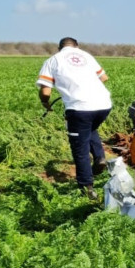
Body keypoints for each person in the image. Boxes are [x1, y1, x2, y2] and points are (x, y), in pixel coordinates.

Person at [36, 37, 112, 199]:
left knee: (80, 149)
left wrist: (45, 103)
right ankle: (100, 158)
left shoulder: (53, 60)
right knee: (90, 128)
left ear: (59, 48)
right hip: (104, 105)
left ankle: (87, 188)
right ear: (77, 46)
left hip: (79, 108)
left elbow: (45, 92)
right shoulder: (86, 56)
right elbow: (104, 78)